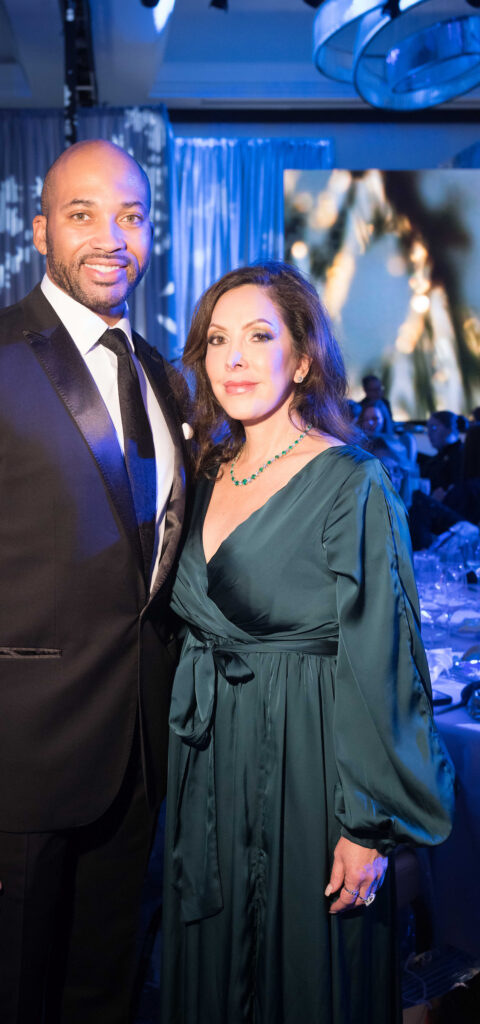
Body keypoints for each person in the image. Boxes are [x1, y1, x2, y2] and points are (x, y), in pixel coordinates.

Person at [0, 139, 188, 1024]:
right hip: (9, 777)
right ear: (41, 230)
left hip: (136, 763)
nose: (111, 237)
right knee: (7, 1004)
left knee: (106, 997)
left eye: (130, 216)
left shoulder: (161, 373)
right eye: (83, 214)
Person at [161, 262, 454, 1024]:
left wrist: (368, 826)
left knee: (308, 978)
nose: (234, 358)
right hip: (210, 763)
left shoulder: (352, 482)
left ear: (302, 359)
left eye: (260, 336)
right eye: (217, 340)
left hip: (311, 766)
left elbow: (384, 662)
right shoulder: (206, 471)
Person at [419, 410, 465, 498]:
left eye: (434, 428)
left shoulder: (461, 458)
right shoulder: (440, 457)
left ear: (450, 429)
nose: (429, 433)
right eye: (428, 429)